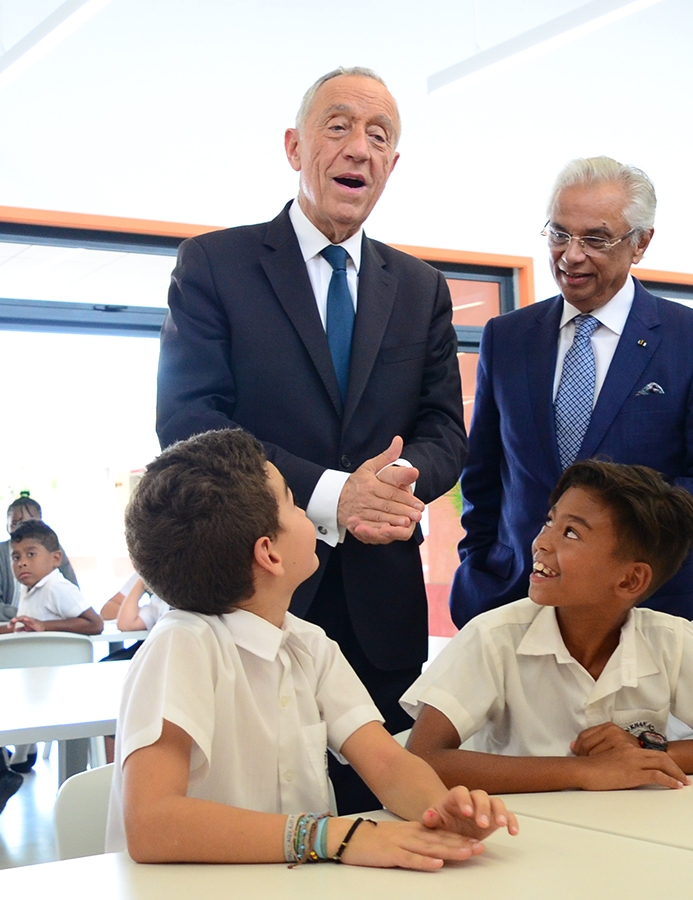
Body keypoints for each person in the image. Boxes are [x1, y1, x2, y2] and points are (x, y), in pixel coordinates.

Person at [155, 67, 467, 812]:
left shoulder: (421, 288)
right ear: (295, 146)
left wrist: (391, 487)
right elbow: (189, 419)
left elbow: (445, 431)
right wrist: (333, 494)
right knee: (255, 807)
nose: (359, 146)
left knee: (379, 810)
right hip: (248, 592)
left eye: (379, 135)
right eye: (338, 126)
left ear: (393, 166)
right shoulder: (216, 265)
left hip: (381, 602)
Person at [106, 429, 516, 866]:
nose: (309, 515)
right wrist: (331, 835)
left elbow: (387, 764)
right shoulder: (182, 643)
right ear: (269, 554)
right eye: (294, 502)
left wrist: (441, 810)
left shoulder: (308, 644)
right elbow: (152, 824)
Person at [450, 157, 693, 628]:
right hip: (513, 600)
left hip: (640, 604)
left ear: (641, 243)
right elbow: (484, 473)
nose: (571, 255)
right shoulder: (507, 338)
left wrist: (632, 536)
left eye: (595, 238)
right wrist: (478, 564)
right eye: (559, 234)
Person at [402, 461, 693, 792]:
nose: (542, 542)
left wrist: (646, 754)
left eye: (570, 533)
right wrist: (582, 772)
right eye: (549, 521)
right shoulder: (493, 637)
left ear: (631, 580)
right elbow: (421, 759)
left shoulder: (667, 639)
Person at [0, 520, 102, 636]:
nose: (21, 563)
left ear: (56, 558)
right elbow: (23, 629)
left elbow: (95, 624)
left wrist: (44, 626)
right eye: (16, 557)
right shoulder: (27, 589)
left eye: (31, 554)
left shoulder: (56, 587)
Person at [1, 496, 79, 619]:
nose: (23, 530)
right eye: (15, 524)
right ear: (7, 526)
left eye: (30, 524)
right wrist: (26, 616)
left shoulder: (52, 549)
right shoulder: (2, 553)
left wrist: (38, 618)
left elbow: (74, 591)